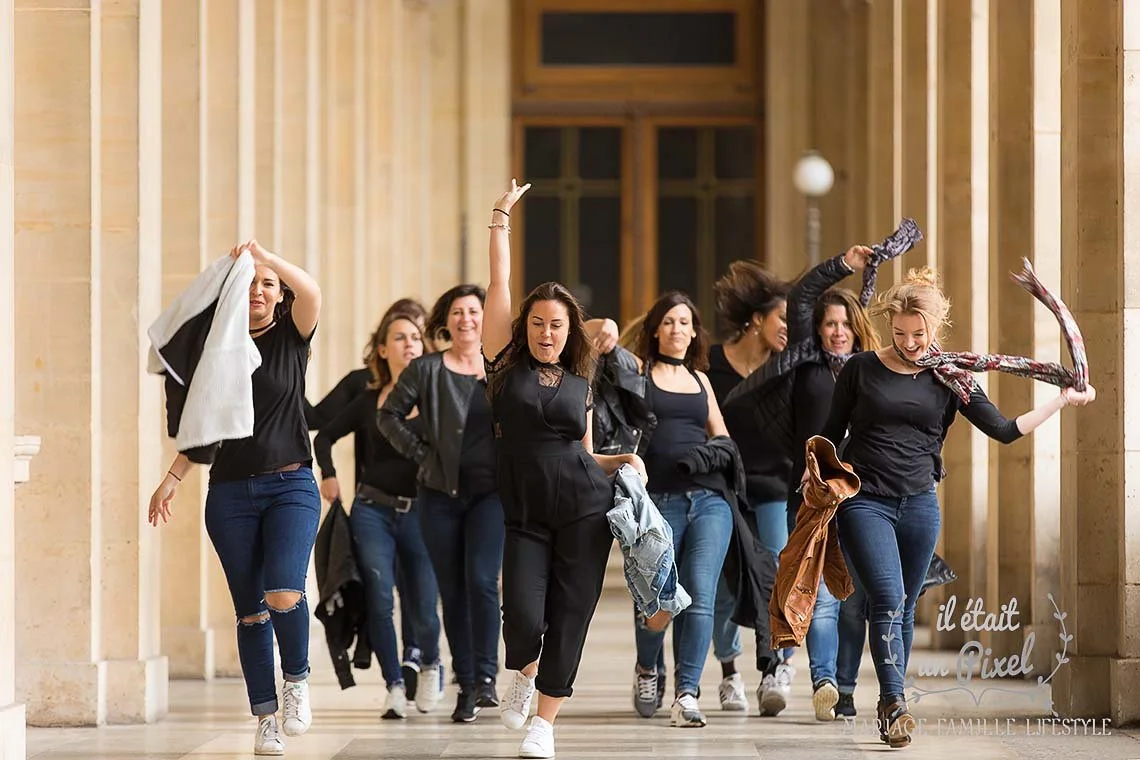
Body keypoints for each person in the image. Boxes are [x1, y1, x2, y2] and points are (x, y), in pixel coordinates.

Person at [819, 267, 1096, 748]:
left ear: (935, 326)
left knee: (905, 609)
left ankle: (891, 703)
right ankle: (894, 702)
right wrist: (815, 482)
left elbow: (1004, 430)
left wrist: (1061, 401)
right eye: (900, 333)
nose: (909, 343)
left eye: (918, 334)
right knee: (887, 600)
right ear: (890, 326)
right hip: (865, 502)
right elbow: (828, 434)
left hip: (920, 505)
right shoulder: (860, 369)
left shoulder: (952, 377)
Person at [483, 179, 646, 759]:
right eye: (537, 323)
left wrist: (624, 460)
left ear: (569, 330)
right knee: (523, 616)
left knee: (572, 613)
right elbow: (500, 284)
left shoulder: (581, 381)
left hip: (583, 507)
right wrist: (500, 217)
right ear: (522, 327)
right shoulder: (503, 364)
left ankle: (544, 723)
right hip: (525, 512)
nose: (546, 333)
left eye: (556, 325)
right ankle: (525, 672)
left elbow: (584, 449)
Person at [148, 239, 322, 756]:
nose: (258, 291)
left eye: (268, 285)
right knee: (250, 612)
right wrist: (173, 477)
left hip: (291, 485)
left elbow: (312, 291)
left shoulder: (292, 337)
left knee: (283, 591)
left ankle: (296, 679)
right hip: (229, 494)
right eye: (248, 283)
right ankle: (265, 719)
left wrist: (264, 256)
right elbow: (205, 425)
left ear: (280, 295)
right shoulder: (217, 350)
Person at [378, 284, 504, 723]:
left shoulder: (502, 370)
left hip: (491, 495)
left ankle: (486, 677)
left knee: (482, 581)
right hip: (439, 496)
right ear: (445, 321)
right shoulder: (427, 369)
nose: (466, 319)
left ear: (485, 318)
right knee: (452, 592)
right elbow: (388, 415)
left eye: (474, 311)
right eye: (457, 312)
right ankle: (466, 685)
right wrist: (421, 454)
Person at [313, 305, 443, 720]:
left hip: (421, 512)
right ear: (383, 350)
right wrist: (329, 475)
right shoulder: (369, 400)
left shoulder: (437, 398)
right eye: (399, 338)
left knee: (423, 605)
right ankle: (394, 686)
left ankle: (430, 664)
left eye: (415, 338)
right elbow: (324, 436)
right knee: (380, 598)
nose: (409, 344)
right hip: (372, 510)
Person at [628, 291, 734, 728]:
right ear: (656, 330)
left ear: (694, 333)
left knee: (700, 596)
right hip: (658, 504)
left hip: (708, 500)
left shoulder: (701, 380)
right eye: (669, 321)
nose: (677, 329)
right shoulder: (639, 373)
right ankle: (647, 667)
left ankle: (687, 694)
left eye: (684, 322)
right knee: (658, 600)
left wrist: (707, 455)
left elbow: (722, 435)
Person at [704, 260, 795, 715]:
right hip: (725, 491)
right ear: (757, 319)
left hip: (775, 487)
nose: (789, 328)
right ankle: (729, 673)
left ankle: (774, 669)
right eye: (782, 318)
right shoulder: (710, 363)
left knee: (777, 580)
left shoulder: (787, 366)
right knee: (727, 585)